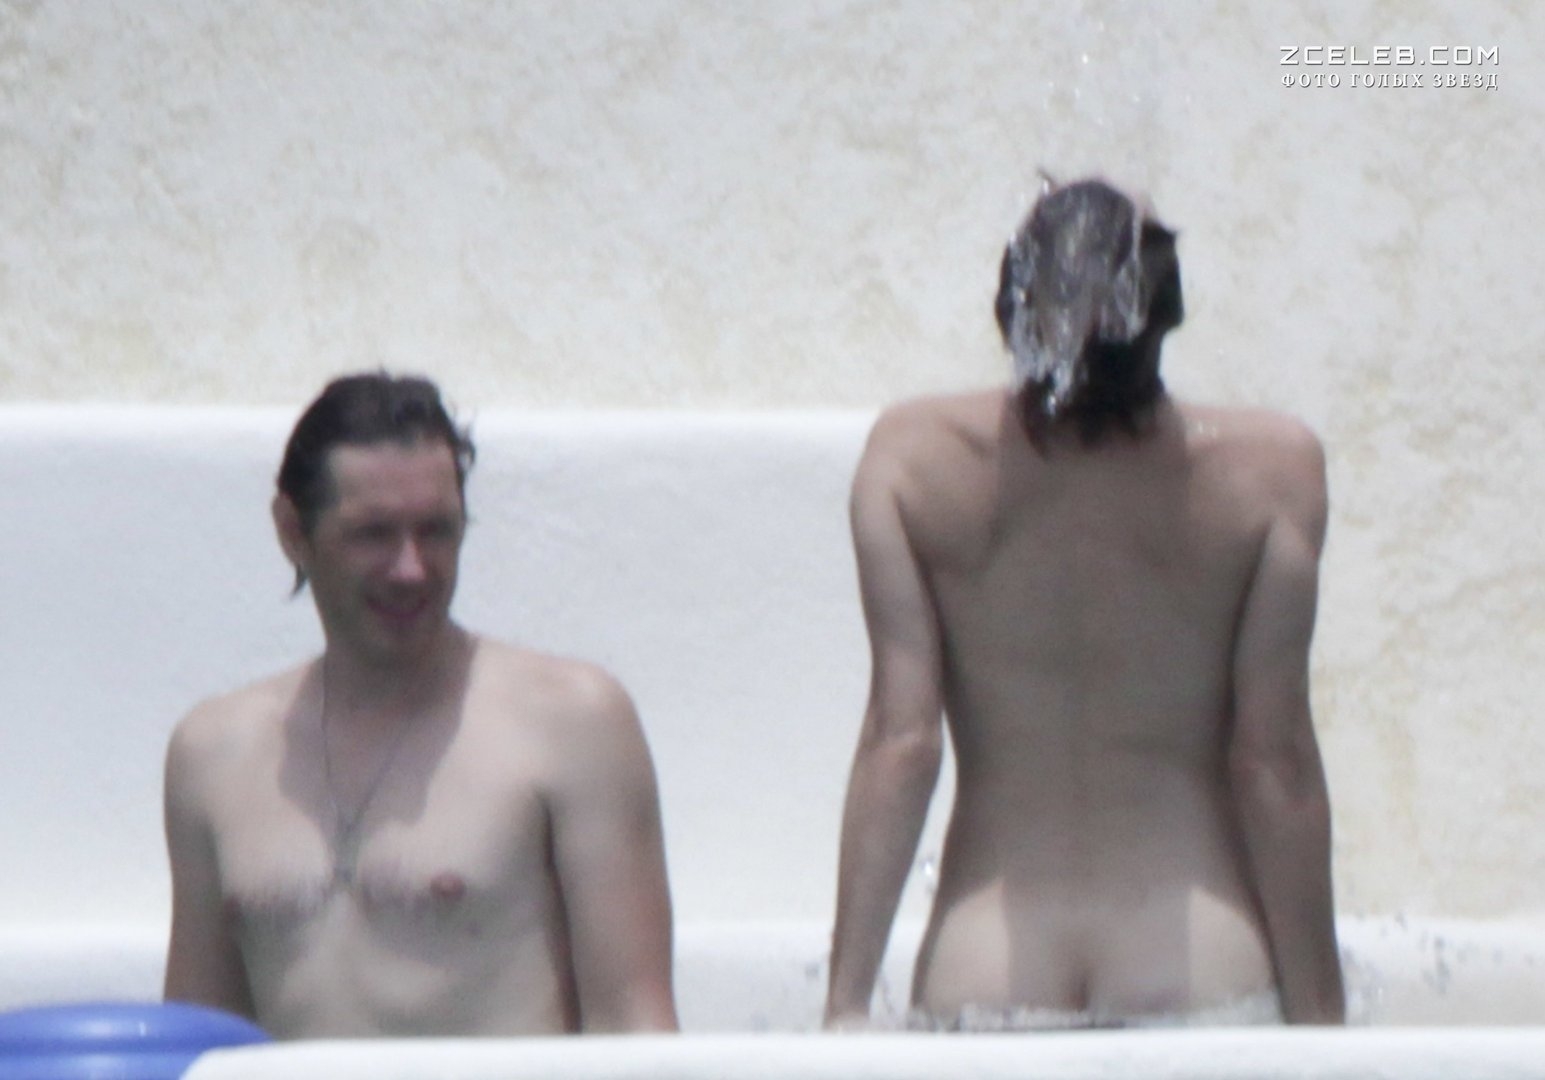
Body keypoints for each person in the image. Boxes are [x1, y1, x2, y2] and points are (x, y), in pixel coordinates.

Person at [824, 178, 1344, 1030]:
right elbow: (1272, 762)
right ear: (1165, 310)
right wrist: (1322, 1022)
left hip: (985, 969)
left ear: (1012, 300)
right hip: (1195, 963)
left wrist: (843, 1007)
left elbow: (900, 742)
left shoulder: (911, 461)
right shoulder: (1268, 472)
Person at [162, 372, 679, 1037]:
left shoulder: (572, 724)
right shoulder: (213, 755)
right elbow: (196, 1042)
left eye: (435, 531)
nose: (410, 567)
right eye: (373, 533)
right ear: (293, 532)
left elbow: (637, 1028)